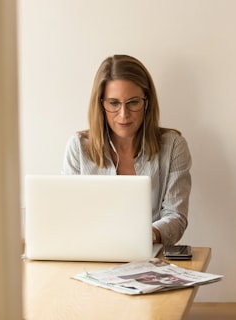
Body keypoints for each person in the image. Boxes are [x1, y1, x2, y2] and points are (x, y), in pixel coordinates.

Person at [62, 54, 192, 245]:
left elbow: (176, 216)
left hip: (150, 258)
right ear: (101, 104)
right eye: (114, 103)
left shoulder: (173, 146)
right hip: (91, 255)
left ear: (146, 102)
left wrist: (146, 235)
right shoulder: (78, 147)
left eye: (133, 102)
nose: (124, 114)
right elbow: (69, 216)